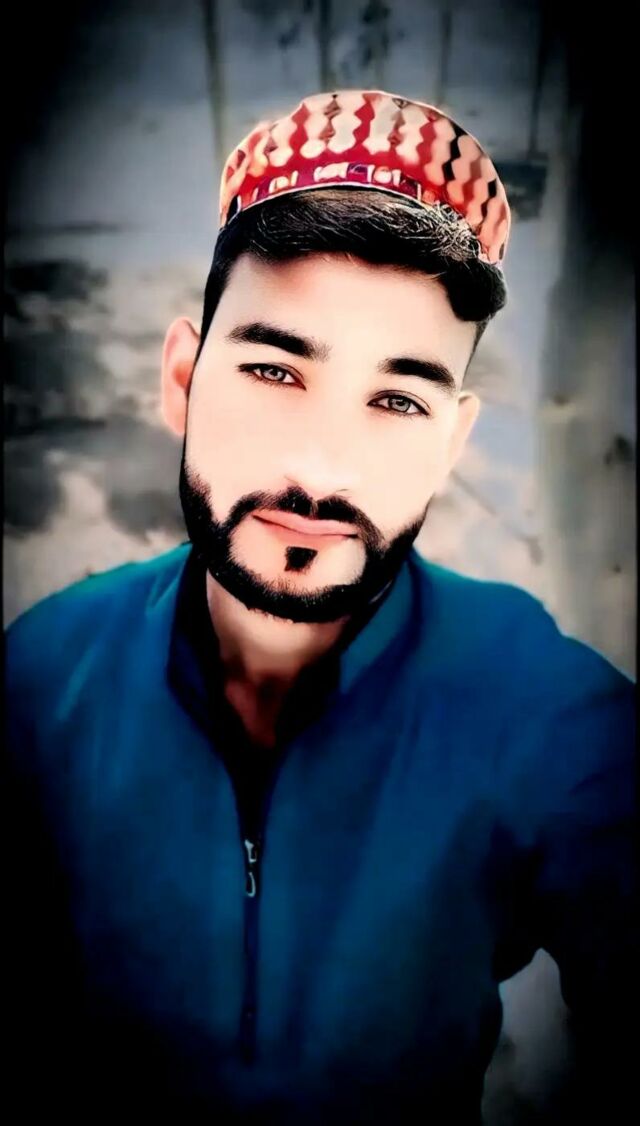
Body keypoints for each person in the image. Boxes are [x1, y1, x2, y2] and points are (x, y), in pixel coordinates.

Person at [5, 89, 634, 1123]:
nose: (320, 467)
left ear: (450, 439)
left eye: (397, 399)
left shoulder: (545, 712)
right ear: (182, 378)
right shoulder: (39, 679)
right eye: (272, 368)